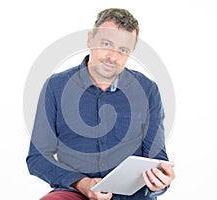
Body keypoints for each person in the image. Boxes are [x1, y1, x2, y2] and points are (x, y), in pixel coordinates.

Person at [26, 8, 175, 200]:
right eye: (106, 44)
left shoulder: (147, 90)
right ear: (90, 40)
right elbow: (37, 158)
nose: (113, 57)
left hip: (132, 196)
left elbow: (157, 158)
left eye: (123, 50)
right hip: (75, 192)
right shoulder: (56, 87)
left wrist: (160, 182)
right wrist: (82, 183)